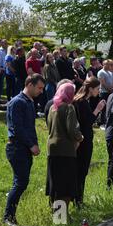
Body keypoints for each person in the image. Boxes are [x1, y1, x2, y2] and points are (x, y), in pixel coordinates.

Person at [3, 74, 45, 226]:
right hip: (17, 147)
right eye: (39, 87)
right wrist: (31, 144)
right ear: (30, 84)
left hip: (25, 148)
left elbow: (30, 128)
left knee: (22, 182)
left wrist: (34, 143)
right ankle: (8, 217)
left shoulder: (29, 102)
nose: (41, 91)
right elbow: (17, 128)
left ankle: (11, 216)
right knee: (20, 182)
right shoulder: (17, 102)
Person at [46, 83, 83, 215]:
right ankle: (61, 217)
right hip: (66, 150)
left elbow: (49, 126)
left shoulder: (52, 108)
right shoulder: (69, 107)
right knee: (66, 186)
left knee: (55, 184)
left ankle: (55, 214)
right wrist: (80, 138)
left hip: (52, 149)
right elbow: (72, 129)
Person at [73, 77, 106, 205]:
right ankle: (78, 200)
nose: (99, 91)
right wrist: (97, 110)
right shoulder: (81, 102)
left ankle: (78, 198)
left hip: (83, 139)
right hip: (83, 141)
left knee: (81, 171)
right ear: (90, 89)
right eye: (97, 89)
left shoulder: (82, 101)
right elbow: (86, 122)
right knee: (81, 170)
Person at [97, 59, 113, 127]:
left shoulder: (110, 73)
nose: (108, 65)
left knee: (108, 107)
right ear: (103, 64)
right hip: (104, 92)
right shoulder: (101, 72)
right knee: (103, 107)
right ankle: (101, 122)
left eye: (109, 64)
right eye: (106, 64)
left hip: (110, 92)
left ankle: (106, 121)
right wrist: (109, 89)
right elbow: (102, 82)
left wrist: (112, 88)